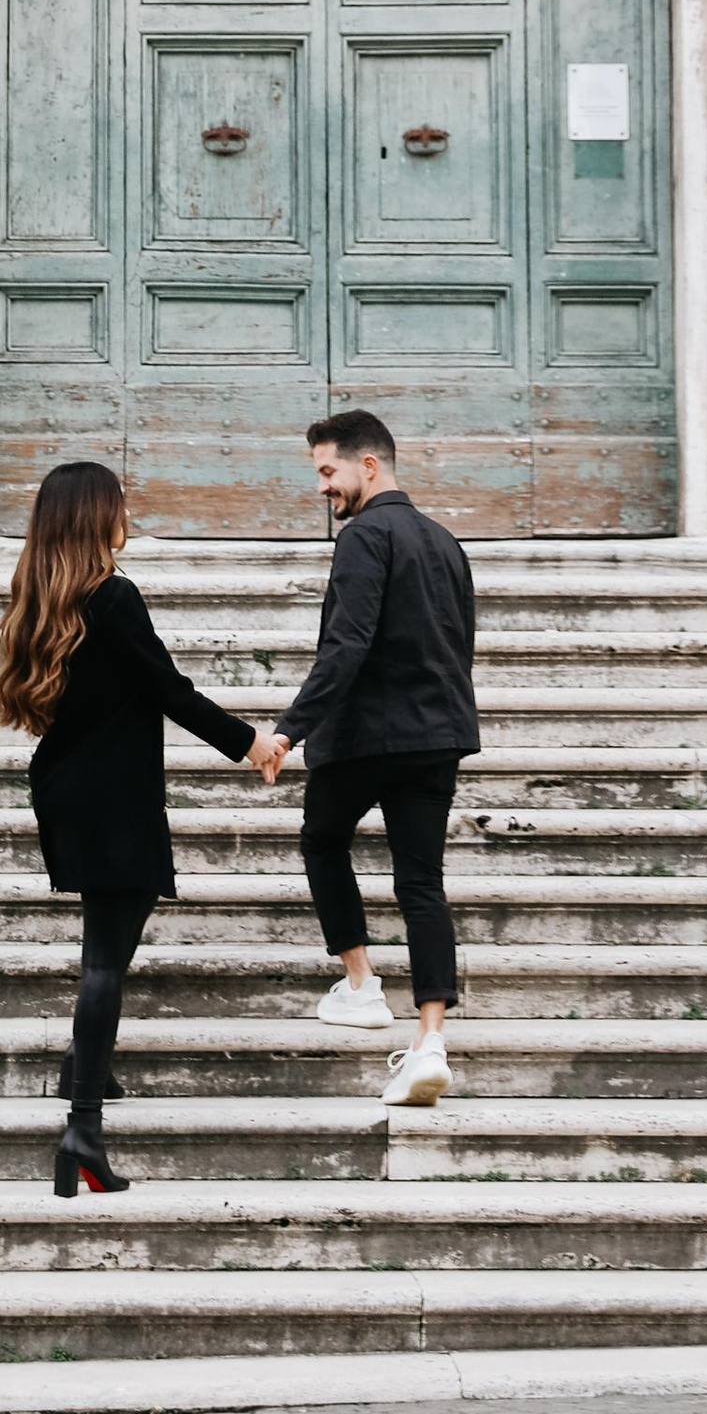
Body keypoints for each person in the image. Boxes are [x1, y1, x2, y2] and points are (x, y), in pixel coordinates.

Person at [0, 457, 258, 1198]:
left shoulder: (45, 598)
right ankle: (83, 1126)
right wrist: (250, 742)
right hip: (114, 797)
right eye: (118, 504)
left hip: (66, 788)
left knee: (104, 944)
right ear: (94, 517)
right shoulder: (114, 597)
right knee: (108, 956)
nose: (127, 515)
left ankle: (84, 1068)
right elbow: (169, 690)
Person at [248, 408, 479, 1107]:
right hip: (438, 735)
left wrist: (289, 729)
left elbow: (344, 646)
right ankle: (430, 1040)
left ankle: (361, 985)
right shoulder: (444, 542)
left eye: (328, 471)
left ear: (367, 466)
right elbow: (460, 640)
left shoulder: (363, 537)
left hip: (365, 737)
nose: (323, 487)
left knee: (322, 842)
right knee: (421, 886)